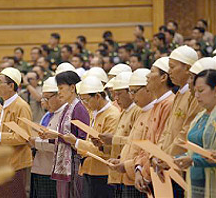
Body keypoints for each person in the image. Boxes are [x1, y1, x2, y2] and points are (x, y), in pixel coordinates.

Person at [155, 46, 202, 197]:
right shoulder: (178, 93)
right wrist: (159, 154)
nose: (169, 72)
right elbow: (167, 130)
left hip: (180, 164)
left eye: (172, 67)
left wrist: (166, 157)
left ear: (187, 68)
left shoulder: (194, 95)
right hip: (168, 162)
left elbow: (185, 132)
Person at [62, 76, 119, 198]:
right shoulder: (94, 113)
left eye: (86, 100)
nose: (85, 104)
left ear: (98, 96)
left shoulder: (112, 115)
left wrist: (77, 142)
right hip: (89, 169)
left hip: (103, 173)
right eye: (82, 100)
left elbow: (105, 149)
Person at [0, 67, 33, 198]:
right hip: (5, 162)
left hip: (16, 163)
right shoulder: (6, 104)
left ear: (11, 86)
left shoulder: (21, 106)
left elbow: (23, 136)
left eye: (0, 82)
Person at [108, 68, 155, 198]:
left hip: (140, 175)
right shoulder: (139, 111)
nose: (132, 96)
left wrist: (131, 166)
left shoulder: (143, 111)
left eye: (133, 92)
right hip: (128, 174)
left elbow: (146, 148)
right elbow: (131, 144)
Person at [44, 70, 90, 198]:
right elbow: (64, 136)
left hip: (74, 162)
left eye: (61, 88)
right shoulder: (66, 107)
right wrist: (51, 137)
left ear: (72, 87)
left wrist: (59, 137)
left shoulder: (79, 108)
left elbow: (83, 139)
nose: (58, 92)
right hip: (64, 161)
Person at [134, 57, 175, 193]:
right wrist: (139, 168)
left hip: (159, 172)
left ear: (163, 77)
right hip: (149, 171)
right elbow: (147, 143)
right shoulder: (158, 103)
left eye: (152, 72)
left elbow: (160, 144)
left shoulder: (169, 103)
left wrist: (144, 173)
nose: (147, 75)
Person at [174, 69, 216, 198]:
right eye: (195, 91)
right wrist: (174, 160)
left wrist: (193, 160)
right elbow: (194, 150)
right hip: (196, 182)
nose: (196, 95)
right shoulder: (200, 116)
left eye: (201, 90)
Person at [30, 77, 67, 198]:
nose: (44, 101)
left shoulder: (65, 114)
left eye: (47, 98)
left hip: (52, 169)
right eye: (43, 98)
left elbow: (61, 142)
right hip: (40, 166)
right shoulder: (48, 114)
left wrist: (36, 142)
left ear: (59, 96)